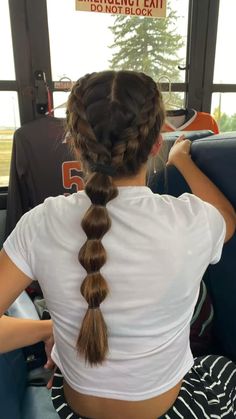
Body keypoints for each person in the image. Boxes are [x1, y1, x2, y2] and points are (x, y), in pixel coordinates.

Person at [0, 70, 236, 419]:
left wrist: (54, 329)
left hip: (75, 411)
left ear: (75, 142)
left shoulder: (40, 222)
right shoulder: (188, 221)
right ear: (157, 143)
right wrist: (181, 161)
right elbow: (227, 219)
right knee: (222, 368)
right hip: (170, 411)